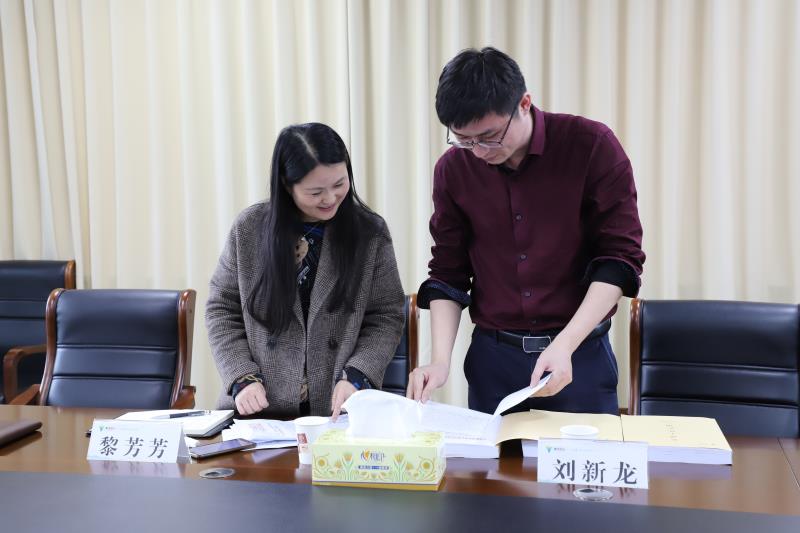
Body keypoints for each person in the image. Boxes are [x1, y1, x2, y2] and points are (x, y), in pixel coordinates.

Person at [407, 47, 645, 415]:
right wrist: (439, 361)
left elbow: (618, 260)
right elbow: (447, 273)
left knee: (584, 455)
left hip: (579, 355)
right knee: (492, 456)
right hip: (493, 362)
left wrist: (565, 344)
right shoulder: (453, 170)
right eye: (464, 140)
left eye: (489, 136)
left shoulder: (591, 146)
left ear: (524, 104)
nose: (478, 152)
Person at [207, 122, 405, 420]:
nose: (330, 198)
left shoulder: (369, 233)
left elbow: (386, 316)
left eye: (339, 184)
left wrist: (357, 375)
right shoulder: (249, 229)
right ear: (287, 186)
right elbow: (221, 309)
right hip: (261, 412)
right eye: (315, 192)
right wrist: (241, 376)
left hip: (338, 410)